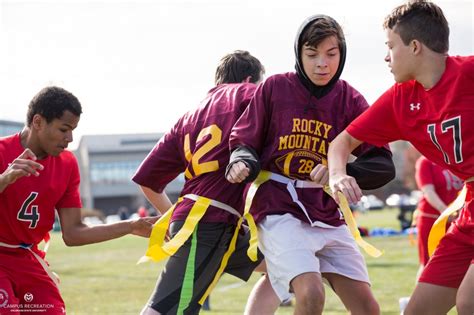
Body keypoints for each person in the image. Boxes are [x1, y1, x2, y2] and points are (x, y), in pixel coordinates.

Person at [226, 15, 394, 315]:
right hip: (279, 207)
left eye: (331, 54)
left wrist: (343, 172)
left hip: (326, 210)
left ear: (341, 54)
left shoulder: (350, 98)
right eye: (312, 54)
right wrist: (242, 160)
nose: (322, 64)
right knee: (311, 292)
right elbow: (245, 138)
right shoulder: (276, 87)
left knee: (368, 308)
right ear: (298, 54)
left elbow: (383, 163)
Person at [327, 1, 474, 314]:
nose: (386, 56)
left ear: (415, 47)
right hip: (470, 209)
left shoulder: (470, 73)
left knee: (469, 301)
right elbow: (342, 142)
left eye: (390, 46)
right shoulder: (401, 99)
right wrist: (338, 173)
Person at [132, 50, 269, 315]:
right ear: (250, 79)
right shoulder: (249, 94)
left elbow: (147, 180)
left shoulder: (189, 116)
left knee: (288, 268)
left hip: (217, 222)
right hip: (211, 222)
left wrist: (173, 218)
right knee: (164, 309)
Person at [0, 86, 157, 314]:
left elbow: (73, 233)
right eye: (64, 129)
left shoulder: (67, 163)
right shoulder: (2, 150)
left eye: (73, 130)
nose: (70, 138)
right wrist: (4, 178)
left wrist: (131, 226)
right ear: (38, 122)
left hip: (27, 258)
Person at [415, 155, 463, 271]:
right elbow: (428, 191)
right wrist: (445, 211)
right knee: (429, 265)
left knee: (456, 265)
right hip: (432, 221)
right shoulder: (425, 161)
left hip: (456, 221)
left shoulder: (455, 160)